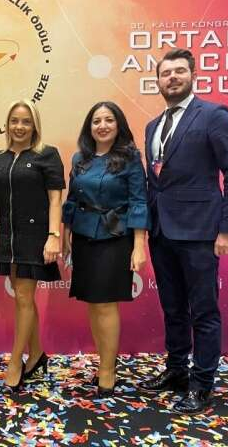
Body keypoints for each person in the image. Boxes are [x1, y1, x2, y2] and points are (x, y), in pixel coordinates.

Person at [139, 49, 228, 414]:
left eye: (179, 71)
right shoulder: (153, 126)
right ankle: (176, 371)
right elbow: (156, 181)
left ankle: (202, 384)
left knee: (203, 311)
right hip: (161, 232)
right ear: (157, 81)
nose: (172, 77)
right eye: (165, 73)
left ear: (193, 76)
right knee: (172, 308)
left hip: (201, 232)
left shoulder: (214, 115)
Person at [62, 101, 150, 398]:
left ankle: (109, 370)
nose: (102, 125)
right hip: (83, 237)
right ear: (89, 127)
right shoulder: (79, 159)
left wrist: (139, 245)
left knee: (106, 303)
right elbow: (72, 200)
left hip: (116, 237)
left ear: (118, 124)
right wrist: (65, 235)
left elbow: (139, 201)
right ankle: (103, 362)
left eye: (108, 120)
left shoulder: (130, 158)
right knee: (92, 302)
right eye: (96, 120)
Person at [0, 100, 65, 392]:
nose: (19, 127)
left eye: (26, 122)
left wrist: (54, 235)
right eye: (14, 121)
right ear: (7, 125)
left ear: (35, 126)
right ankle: (37, 354)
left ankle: (15, 361)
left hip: (35, 236)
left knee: (23, 296)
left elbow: (55, 199)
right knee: (23, 298)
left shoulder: (47, 154)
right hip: (8, 236)